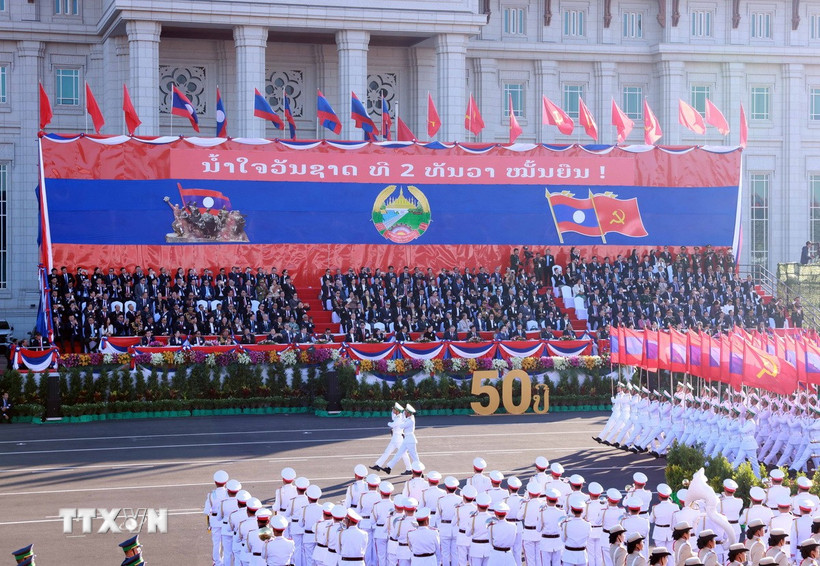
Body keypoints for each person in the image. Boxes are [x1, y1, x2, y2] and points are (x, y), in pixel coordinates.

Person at [372, 403, 411, 473]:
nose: (393, 410)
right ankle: (378, 465)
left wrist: (388, 423)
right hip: (395, 438)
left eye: (394, 409)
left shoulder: (399, 418)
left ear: (397, 411)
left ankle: (409, 469)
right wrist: (393, 410)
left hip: (398, 439)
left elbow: (392, 424)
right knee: (387, 452)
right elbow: (393, 416)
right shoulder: (397, 416)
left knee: (404, 454)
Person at [382, 404, 419, 475]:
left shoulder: (410, 420)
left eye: (405, 411)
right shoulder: (408, 418)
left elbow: (402, 426)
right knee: (399, 454)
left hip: (410, 440)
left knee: (414, 457)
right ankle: (389, 468)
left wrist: (399, 419)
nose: (404, 412)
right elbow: (398, 418)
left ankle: (419, 471)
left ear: (408, 413)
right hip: (406, 439)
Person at [205, 470, 230, 566]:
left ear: (215, 482)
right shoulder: (228, 494)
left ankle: (217, 563)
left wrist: (209, 524)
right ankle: (225, 562)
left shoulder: (211, 495)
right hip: (226, 521)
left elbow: (207, 511)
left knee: (216, 543)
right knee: (226, 543)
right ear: (226, 482)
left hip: (215, 521)